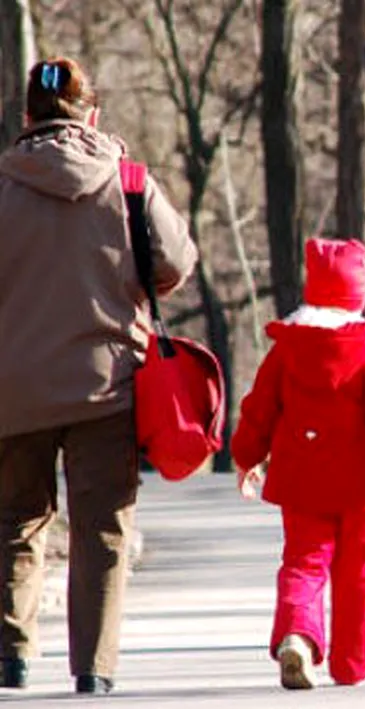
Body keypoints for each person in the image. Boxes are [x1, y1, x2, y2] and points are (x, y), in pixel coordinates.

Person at [0, 58, 197, 694]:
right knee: (103, 528)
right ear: (92, 113)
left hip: (12, 390)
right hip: (106, 385)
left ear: (26, 117)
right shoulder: (130, 181)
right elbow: (175, 263)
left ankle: (10, 656)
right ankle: (94, 671)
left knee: (14, 522)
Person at [231, 238, 365, 689]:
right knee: (357, 572)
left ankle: (297, 635)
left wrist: (246, 459)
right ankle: (352, 662)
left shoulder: (286, 350)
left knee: (303, 562)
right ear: (359, 294)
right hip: (361, 488)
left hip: (302, 482)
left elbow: (259, 409)